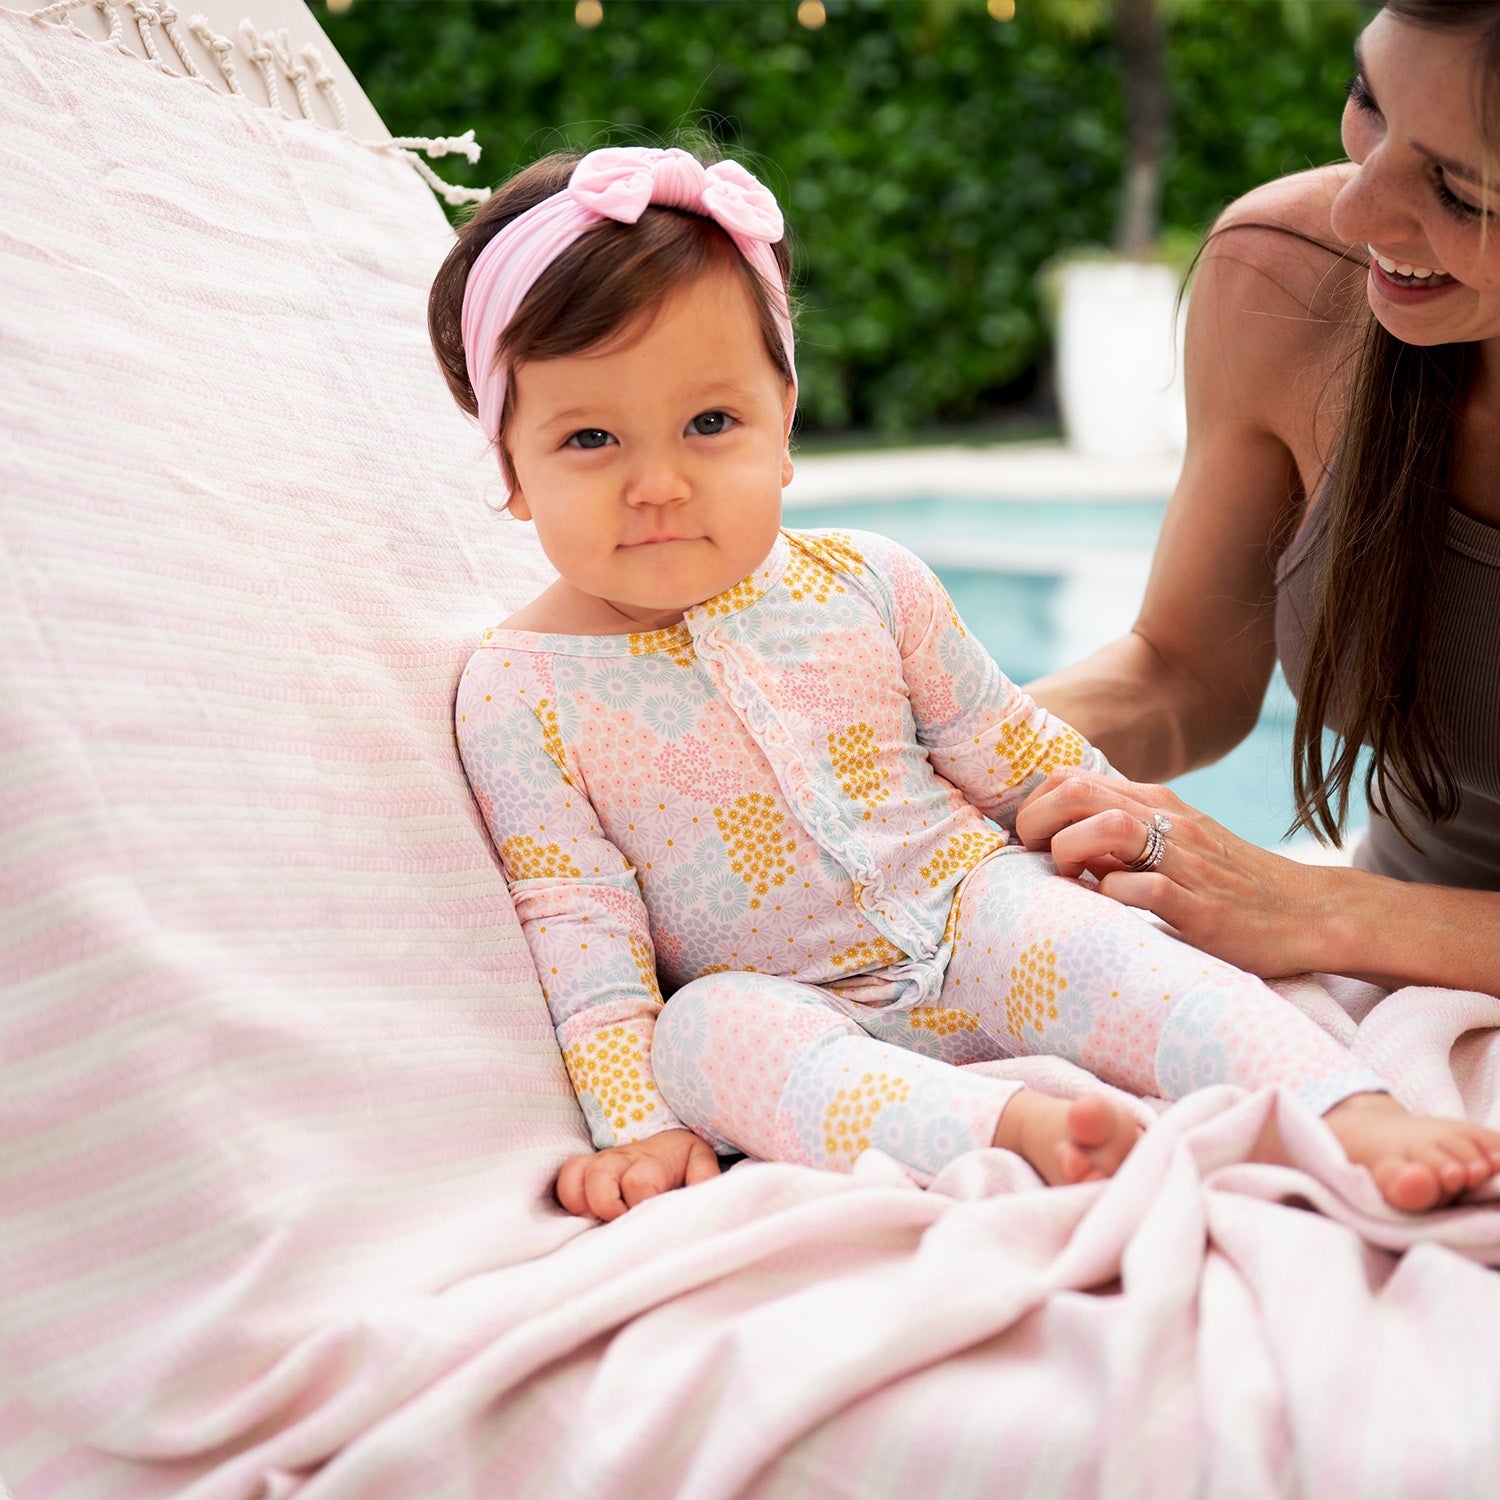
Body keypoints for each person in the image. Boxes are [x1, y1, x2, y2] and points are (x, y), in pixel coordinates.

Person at [432, 143, 1500, 1224]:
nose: (657, 484)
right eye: (589, 438)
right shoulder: (521, 692)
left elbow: (1017, 751)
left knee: (1110, 952)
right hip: (793, 1001)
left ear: (784, 421)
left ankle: (1352, 1112)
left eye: (712, 424)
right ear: (511, 468)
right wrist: (635, 1127)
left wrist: (1127, 843)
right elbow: (578, 920)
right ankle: (1005, 1134)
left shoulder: (870, 583)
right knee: (701, 1035)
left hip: (975, 913)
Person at [1021, 0, 1500, 1003]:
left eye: (1459, 192)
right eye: (1369, 99)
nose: (1355, 213)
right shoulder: (1288, 278)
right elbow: (1185, 671)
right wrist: (941, 749)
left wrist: (1314, 908)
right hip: (1390, 990)